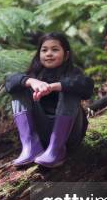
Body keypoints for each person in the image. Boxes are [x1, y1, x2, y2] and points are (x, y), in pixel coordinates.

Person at [5, 32, 94, 168]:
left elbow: (87, 87)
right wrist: (31, 81)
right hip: (42, 135)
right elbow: (10, 83)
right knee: (19, 88)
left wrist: (55, 86)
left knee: (70, 90)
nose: (49, 53)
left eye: (55, 49)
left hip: (69, 136)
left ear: (66, 55)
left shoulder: (73, 73)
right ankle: (31, 147)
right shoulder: (34, 74)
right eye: (44, 50)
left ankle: (56, 149)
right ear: (39, 54)